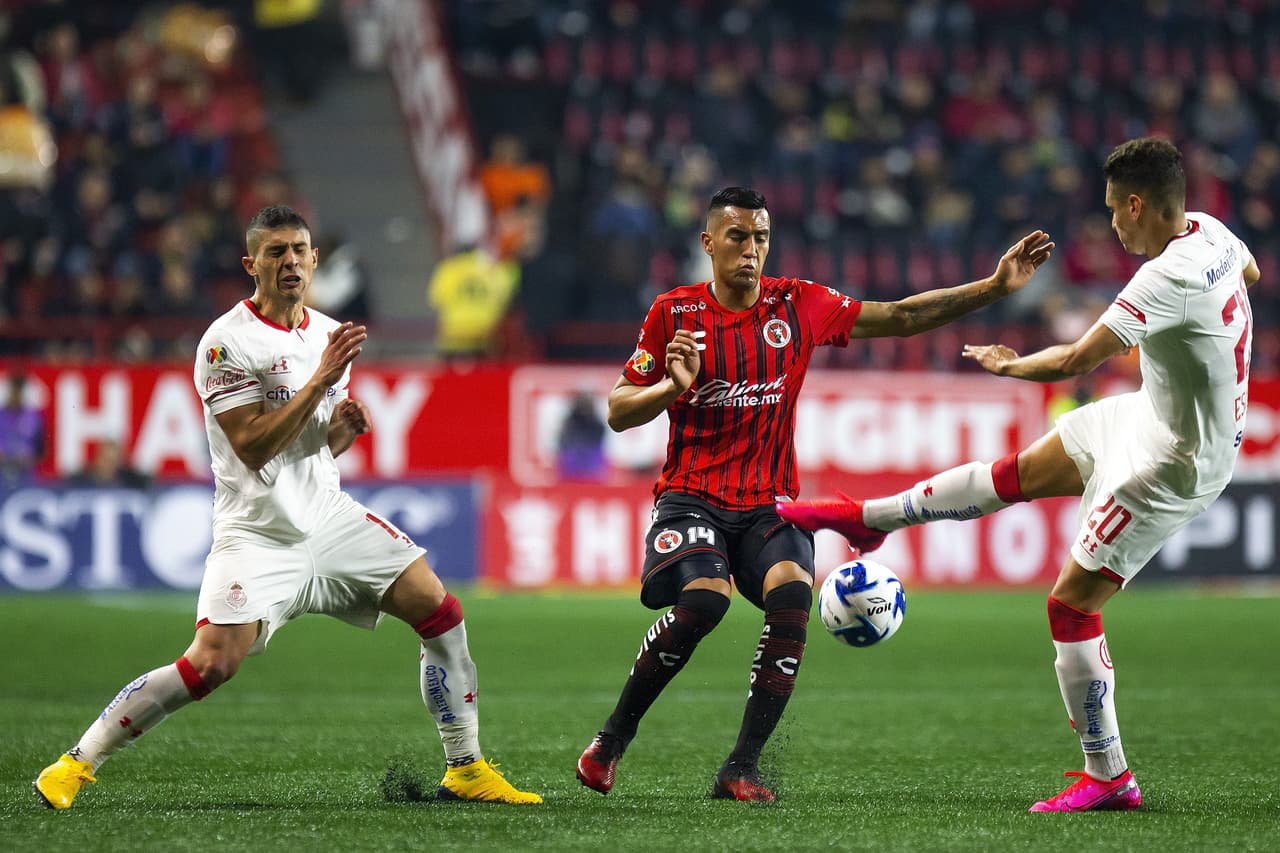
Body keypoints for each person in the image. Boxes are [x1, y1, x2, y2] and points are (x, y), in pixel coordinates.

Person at [778, 138, 1258, 812]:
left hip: (1174, 461)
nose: (1112, 224)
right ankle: (870, 519)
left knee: (1070, 605)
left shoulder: (1164, 278)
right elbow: (1253, 275)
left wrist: (1011, 364)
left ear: (1139, 203)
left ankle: (1109, 774)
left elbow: (1075, 360)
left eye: (1115, 210)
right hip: (1151, 415)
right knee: (1014, 473)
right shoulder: (1215, 236)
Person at [33, 205, 541, 810]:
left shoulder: (328, 335)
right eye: (276, 252)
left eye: (299, 249)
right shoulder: (225, 343)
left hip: (327, 518)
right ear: (252, 264)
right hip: (257, 534)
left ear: (315, 259)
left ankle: (466, 767)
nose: (291, 261)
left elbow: (306, 448)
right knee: (211, 665)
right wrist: (323, 382)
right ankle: (74, 764)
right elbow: (251, 446)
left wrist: (340, 435)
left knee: (441, 610)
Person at [575, 186, 1054, 801]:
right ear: (709, 243)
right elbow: (618, 412)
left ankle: (740, 768)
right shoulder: (674, 313)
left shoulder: (798, 304)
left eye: (761, 238)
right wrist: (671, 387)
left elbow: (901, 316)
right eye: (737, 238)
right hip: (692, 498)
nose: (751, 251)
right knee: (704, 601)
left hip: (770, 503)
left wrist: (991, 288)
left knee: (793, 597)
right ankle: (612, 740)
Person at [0, 373, 45, 486]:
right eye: (13, 391)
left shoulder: (34, 417)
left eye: (19, 392)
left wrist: (29, 459)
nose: (16, 396)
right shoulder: (1, 416)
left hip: (27, 475)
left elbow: (41, 449)